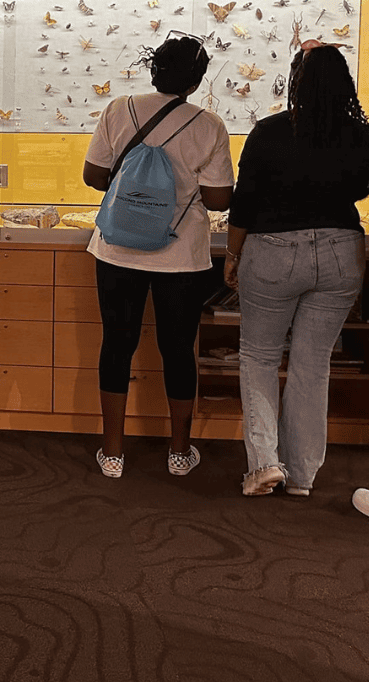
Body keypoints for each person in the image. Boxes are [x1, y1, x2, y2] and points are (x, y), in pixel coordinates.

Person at [225, 41, 369, 497]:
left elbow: (244, 204)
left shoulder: (269, 131)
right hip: (341, 250)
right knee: (314, 365)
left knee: (260, 357)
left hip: (272, 250)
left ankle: (265, 465)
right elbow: (366, 188)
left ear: (296, 80)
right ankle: (304, 477)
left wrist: (233, 257)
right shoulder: (364, 136)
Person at [83, 35, 234, 479]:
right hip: (181, 256)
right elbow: (220, 198)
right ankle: (179, 452)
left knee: (117, 343)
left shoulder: (119, 109)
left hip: (116, 248)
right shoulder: (209, 125)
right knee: (177, 349)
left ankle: (113, 452)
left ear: (154, 71)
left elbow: (93, 176)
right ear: (198, 79)